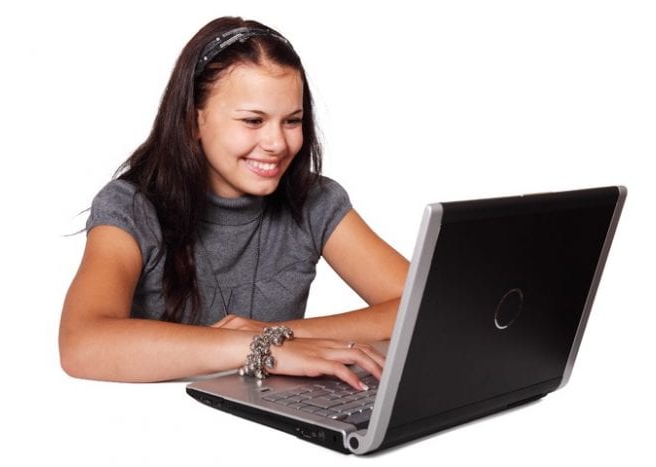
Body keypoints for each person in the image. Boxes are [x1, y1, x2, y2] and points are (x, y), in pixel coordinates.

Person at [59, 16, 408, 390]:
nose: (277, 143)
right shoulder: (130, 207)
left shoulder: (315, 201)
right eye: (253, 121)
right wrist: (260, 347)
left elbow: (420, 304)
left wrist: (282, 335)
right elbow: (82, 342)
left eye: (292, 121)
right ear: (194, 121)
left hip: (275, 426)